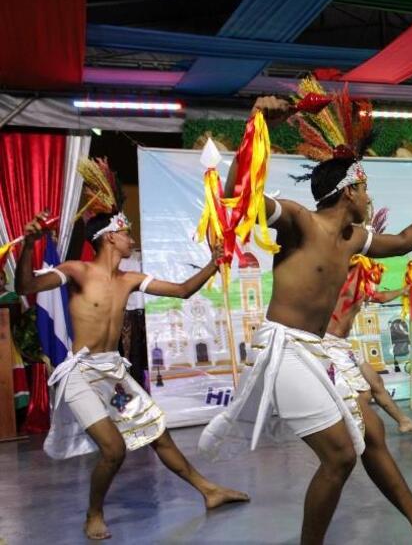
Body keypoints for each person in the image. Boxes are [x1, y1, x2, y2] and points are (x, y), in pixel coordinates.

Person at [198, 95, 412, 545]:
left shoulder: (353, 238)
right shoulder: (298, 221)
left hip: (319, 350)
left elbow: (405, 240)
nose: (369, 197)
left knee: (373, 433)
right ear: (349, 190)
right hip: (286, 351)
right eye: (365, 189)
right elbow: (238, 199)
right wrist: (257, 125)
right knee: (340, 456)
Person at [16, 211, 248, 541]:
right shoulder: (77, 271)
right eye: (127, 234)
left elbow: (183, 290)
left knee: (158, 433)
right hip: (80, 375)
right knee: (114, 450)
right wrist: (29, 246)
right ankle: (94, 513)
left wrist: (214, 262)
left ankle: (209, 491)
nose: (132, 240)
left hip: (113, 376)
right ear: (110, 236)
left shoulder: (129, 279)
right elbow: (26, 286)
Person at [326, 252, 412, 436]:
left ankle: (404, 421)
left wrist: (403, 291)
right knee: (363, 395)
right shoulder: (340, 283)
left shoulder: (360, 286)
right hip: (329, 344)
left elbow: (378, 296)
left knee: (376, 383)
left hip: (343, 345)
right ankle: (352, 436)